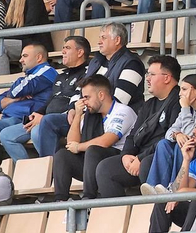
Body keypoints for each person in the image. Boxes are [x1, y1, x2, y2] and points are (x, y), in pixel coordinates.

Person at [92, 55, 181, 199]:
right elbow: (133, 134)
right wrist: (126, 155)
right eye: (147, 74)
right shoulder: (149, 104)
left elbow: (170, 137)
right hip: (138, 157)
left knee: (147, 164)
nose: (147, 78)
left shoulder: (179, 101)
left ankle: (151, 212)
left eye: (152, 74)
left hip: (159, 157)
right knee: (105, 168)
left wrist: (140, 158)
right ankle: (119, 216)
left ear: (167, 78)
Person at [48, 74, 137, 204]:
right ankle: (60, 200)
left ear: (101, 95)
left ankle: (88, 199)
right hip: (92, 164)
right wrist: (78, 115)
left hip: (118, 161)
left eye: (87, 97)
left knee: (93, 150)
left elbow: (106, 142)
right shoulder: (90, 115)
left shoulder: (123, 111)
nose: (84, 102)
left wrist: (79, 147)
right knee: (62, 155)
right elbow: (71, 144)